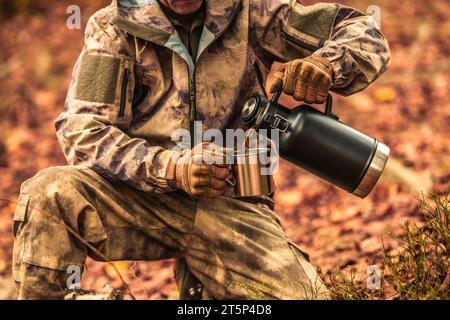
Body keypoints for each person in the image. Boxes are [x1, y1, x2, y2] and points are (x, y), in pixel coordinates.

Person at [12, 0, 390, 299]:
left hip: (234, 207)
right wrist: (169, 167)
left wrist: (327, 64)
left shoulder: (253, 11)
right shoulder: (115, 27)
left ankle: (204, 285)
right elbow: (82, 129)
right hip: (141, 199)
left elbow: (363, 31)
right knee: (50, 193)